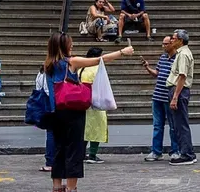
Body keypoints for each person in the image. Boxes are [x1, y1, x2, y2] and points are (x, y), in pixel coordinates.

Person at [42, 32, 134, 192]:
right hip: (72, 112)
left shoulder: (49, 64)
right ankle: (71, 187)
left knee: (59, 149)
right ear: (64, 46)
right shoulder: (71, 62)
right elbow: (99, 60)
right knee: (75, 150)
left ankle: (57, 186)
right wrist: (122, 52)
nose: (72, 46)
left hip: (56, 111)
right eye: (70, 43)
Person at [139, 33, 178, 162]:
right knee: (157, 125)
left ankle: (175, 150)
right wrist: (147, 68)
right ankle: (156, 151)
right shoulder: (162, 58)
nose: (163, 46)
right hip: (157, 96)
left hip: (168, 96)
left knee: (173, 125)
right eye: (163, 44)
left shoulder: (178, 59)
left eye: (166, 44)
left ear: (172, 44)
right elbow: (157, 73)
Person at [166, 29, 197, 166]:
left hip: (179, 90)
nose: (171, 41)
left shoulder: (183, 54)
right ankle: (186, 151)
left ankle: (187, 154)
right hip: (178, 90)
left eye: (173, 38)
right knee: (178, 123)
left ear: (180, 40)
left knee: (180, 124)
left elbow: (182, 76)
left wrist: (175, 97)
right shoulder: (182, 53)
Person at [79, 47, 109, 164]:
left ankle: (81, 153)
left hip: (82, 101)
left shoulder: (81, 68)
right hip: (95, 102)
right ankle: (92, 154)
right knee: (97, 128)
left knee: (84, 130)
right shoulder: (97, 69)